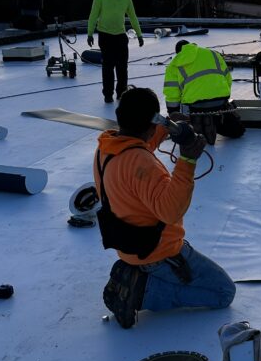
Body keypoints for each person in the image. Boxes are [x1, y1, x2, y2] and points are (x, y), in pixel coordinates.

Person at [94, 87, 236, 328]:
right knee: (224, 293)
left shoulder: (107, 147)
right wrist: (187, 160)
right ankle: (142, 292)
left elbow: (138, 148)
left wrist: (165, 128)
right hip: (159, 253)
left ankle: (137, 276)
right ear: (151, 123)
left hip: (128, 246)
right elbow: (170, 212)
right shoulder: (143, 164)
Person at [163, 40, 245, 144]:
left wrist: (173, 114)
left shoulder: (174, 64)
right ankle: (218, 122)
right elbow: (228, 79)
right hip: (220, 102)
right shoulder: (213, 54)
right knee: (237, 131)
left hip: (196, 107)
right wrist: (221, 95)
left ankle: (206, 124)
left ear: (178, 52)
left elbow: (172, 94)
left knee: (194, 130)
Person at [87, 0, 144, 103]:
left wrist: (139, 34)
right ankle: (108, 94)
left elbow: (133, 17)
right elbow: (93, 16)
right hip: (105, 36)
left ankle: (122, 93)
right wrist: (90, 33)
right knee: (108, 67)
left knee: (122, 67)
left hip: (120, 37)